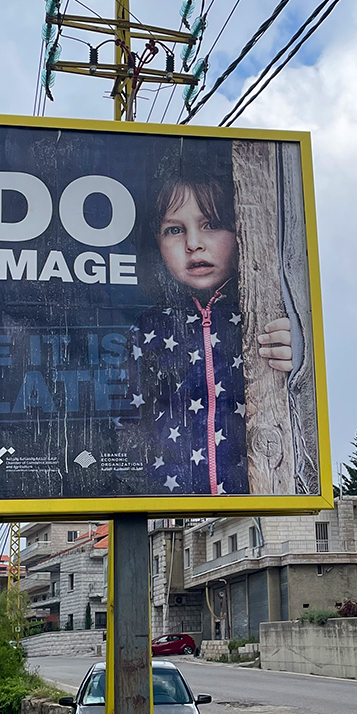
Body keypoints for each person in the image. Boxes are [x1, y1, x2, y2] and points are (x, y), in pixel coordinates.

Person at [131, 162, 292, 495]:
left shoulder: (271, 314)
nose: (193, 243)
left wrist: (301, 357)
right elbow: (126, 422)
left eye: (212, 224)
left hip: (258, 492)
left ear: (243, 230)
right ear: (156, 244)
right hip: (168, 507)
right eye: (174, 230)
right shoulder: (148, 326)